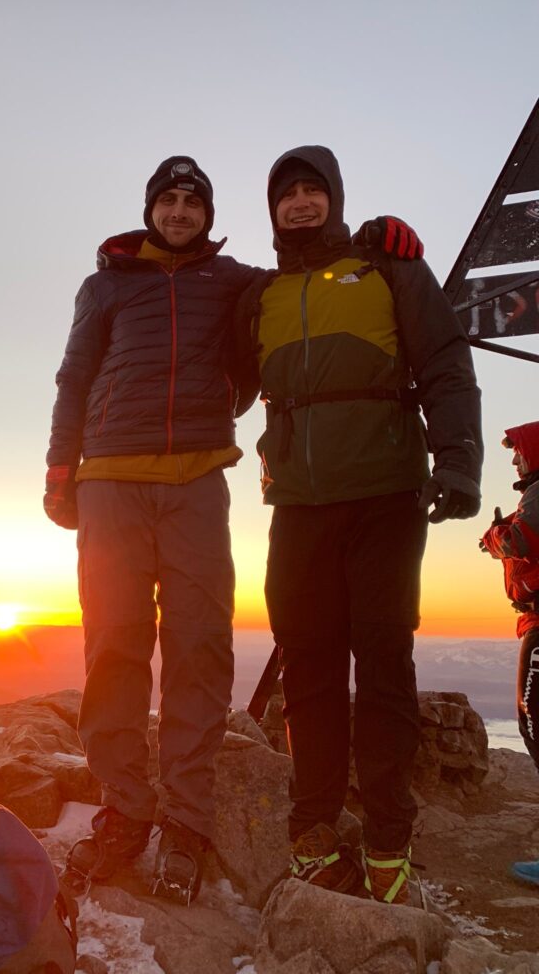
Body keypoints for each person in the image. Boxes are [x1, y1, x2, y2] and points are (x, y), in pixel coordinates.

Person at [44, 154, 422, 904]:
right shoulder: (106, 284)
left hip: (196, 482)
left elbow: (305, 276)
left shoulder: (238, 282)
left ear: (209, 218)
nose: (181, 213)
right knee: (114, 645)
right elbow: (74, 378)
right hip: (112, 482)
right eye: (170, 201)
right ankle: (124, 807)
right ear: (152, 208)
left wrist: (380, 240)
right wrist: (60, 471)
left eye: (194, 203)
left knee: (199, 647)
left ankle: (186, 820)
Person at [235, 145, 483, 905]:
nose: (302, 203)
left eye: (315, 191)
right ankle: (312, 827)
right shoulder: (260, 294)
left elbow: (443, 359)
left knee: (381, 665)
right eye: (289, 194)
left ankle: (386, 835)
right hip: (299, 506)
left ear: (335, 200)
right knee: (307, 668)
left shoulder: (388, 266)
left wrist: (461, 459)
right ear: (272, 209)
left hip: (385, 497)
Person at [479, 421, 539, 887]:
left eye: (518, 451)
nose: (515, 460)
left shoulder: (537, 495)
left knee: (533, 722)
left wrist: (496, 536)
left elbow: (521, 541)